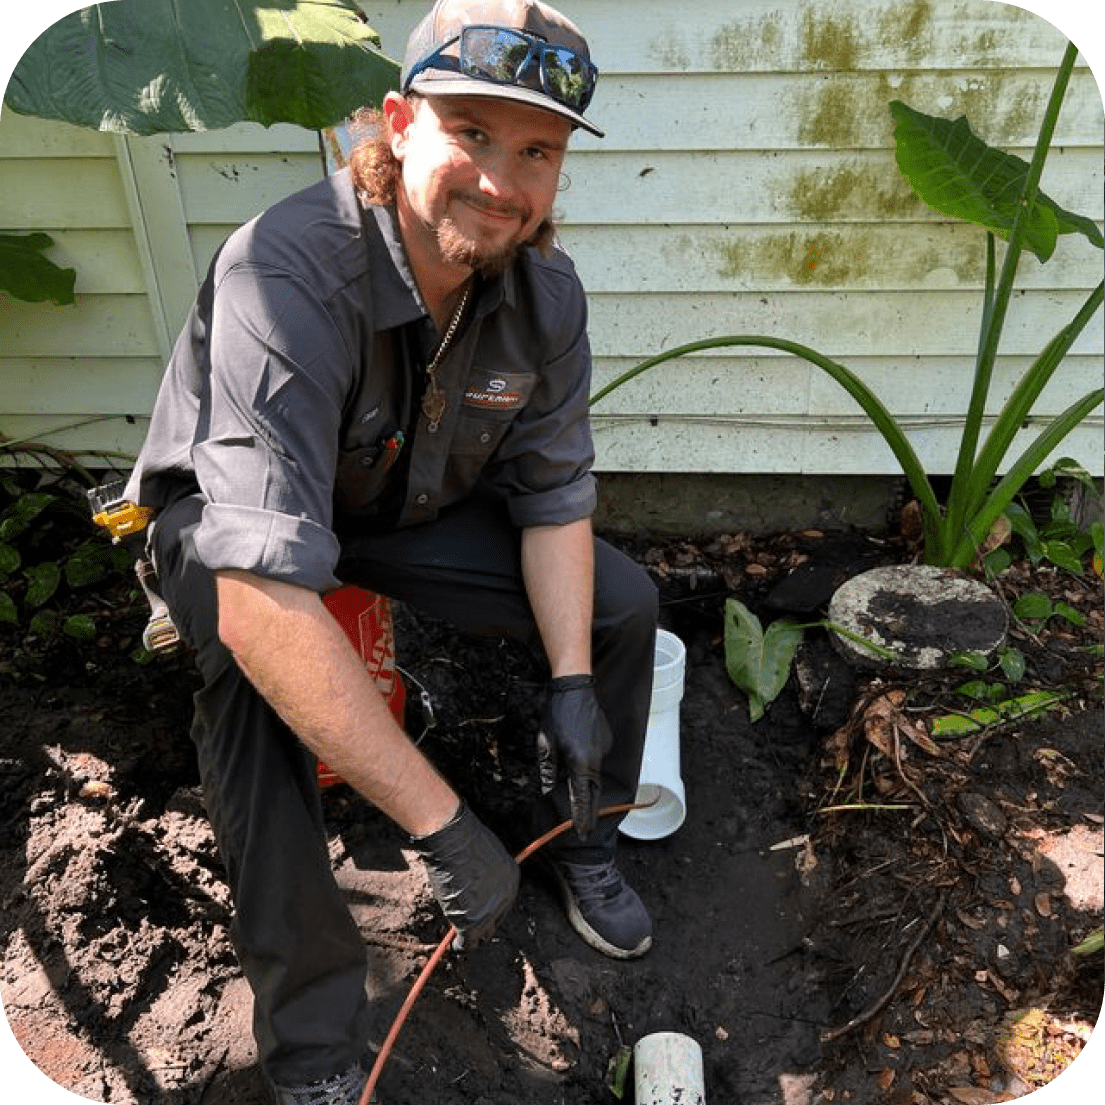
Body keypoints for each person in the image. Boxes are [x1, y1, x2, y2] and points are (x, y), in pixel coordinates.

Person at [122, 0, 658, 1101]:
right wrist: (442, 823)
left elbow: (553, 499)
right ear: (400, 121)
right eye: (472, 132)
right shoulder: (285, 273)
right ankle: (312, 1040)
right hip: (229, 525)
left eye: (537, 151)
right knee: (251, 677)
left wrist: (566, 684)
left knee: (619, 604)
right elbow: (268, 594)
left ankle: (579, 837)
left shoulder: (544, 295)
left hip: (400, 507)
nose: (502, 181)